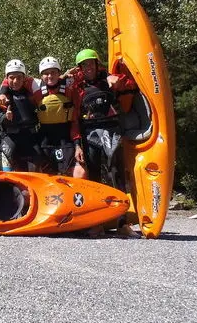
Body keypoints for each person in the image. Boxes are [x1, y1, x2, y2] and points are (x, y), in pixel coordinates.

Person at [67, 48, 140, 238]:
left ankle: (123, 223)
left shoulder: (110, 80)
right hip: (90, 134)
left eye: (91, 63)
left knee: (116, 175)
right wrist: (77, 145)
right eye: (84, 65)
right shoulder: (77, 87)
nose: (88, 67)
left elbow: (134, 87)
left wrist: (119, 81)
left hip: (112, 132)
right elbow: (74, 119)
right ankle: (96, 223)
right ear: (80, 68)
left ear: (97, 64)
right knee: (94, 180)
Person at [32, 57, 86, 177]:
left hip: (65, 139)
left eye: (53, 72)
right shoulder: (37, 95)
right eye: (46, 73)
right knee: (45, 175)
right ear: (41, 76)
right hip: (45, 141)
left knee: (80, 173)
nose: (50, 76)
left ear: (59, 74)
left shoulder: (69, 92)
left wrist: (77, 145)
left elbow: (75, 120)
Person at [0, 59, 42, 172]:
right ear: (6, 78)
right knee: (8, 173)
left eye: (19, 77)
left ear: (24, 78)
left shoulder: (31, 93)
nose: (15, 81)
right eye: (11, 77)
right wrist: (6, 118)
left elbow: (51, 84)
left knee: (34, 172)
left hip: (29, 136)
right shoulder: (1, 96)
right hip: (10, 137)